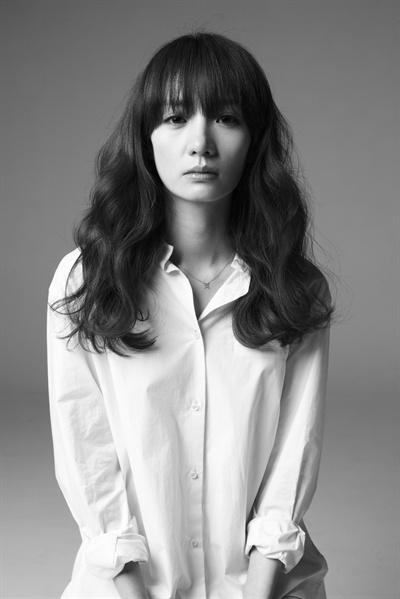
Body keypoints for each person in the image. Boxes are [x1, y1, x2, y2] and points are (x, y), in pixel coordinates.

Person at [47, 31, 333, 599]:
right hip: (127, 588)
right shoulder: (87, 280)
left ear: (254, 139)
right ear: (145, 138)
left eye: (226, 118)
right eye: (175, 118)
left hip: (264, 585)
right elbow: (87, 458)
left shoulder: (295, 288)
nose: (201, 143)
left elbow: (291, 465)